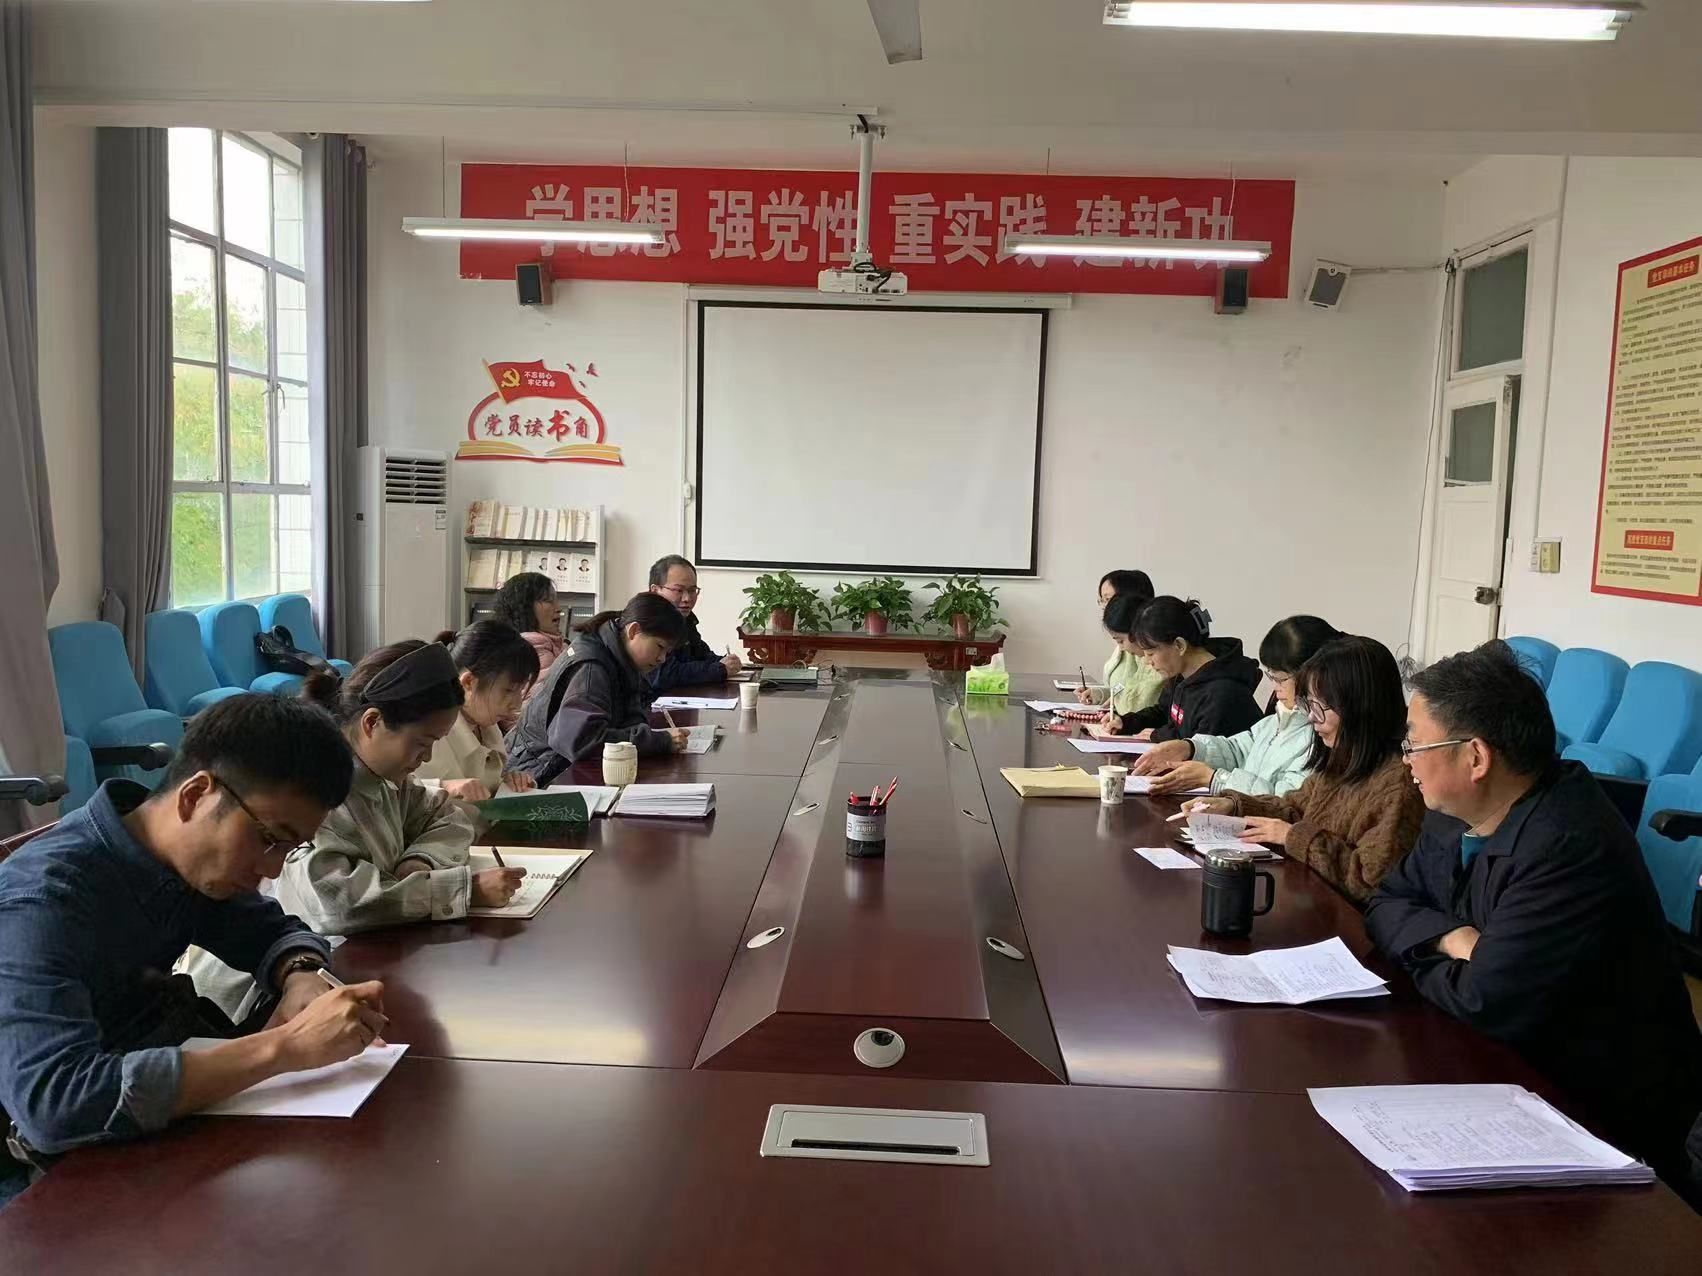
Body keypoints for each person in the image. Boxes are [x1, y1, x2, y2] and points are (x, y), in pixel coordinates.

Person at [0, 695, 387, 1203]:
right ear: (196, 795)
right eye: (270, 838)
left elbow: (274, 930)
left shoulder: (175, 856)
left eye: (290, 849)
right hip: (50, 1179)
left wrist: (300, 974)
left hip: (158, 1131)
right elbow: (55, 1103)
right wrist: (285, 1047)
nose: (272, 869)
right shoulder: (43, 902)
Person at [1366, 640, 1702, 1204]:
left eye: (1415, 745)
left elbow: (1485, 1001)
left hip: (1605, 1123)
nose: (1406, 761)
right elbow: (1385, 902)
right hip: (1506, 1076)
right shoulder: (1454, 814)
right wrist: (1451, 938)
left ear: (1475, 758)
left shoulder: (1568, 843)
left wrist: (1421, 946)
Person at [276, 640, 525, 935]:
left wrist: (420, 860)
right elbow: (340, 904)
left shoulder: (387, 779)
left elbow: (450, 818)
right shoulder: (317, 795)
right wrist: (464, 890)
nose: (427, 757)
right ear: (372, 722)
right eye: (422, 743)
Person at [1186, 635, 1422, 903]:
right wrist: (1233, 806)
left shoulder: (1399, 784)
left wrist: (1293, 836)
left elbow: (1370, 882)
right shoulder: (1342, 758)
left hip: (1342, 920)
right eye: (1308, 704)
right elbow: (1295, 808)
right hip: (1309, 899)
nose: (1311, 717)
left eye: (1319, 707)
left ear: (1361, 707)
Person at [1132, 615, 1341, 797]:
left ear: (1315, 677)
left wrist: (1216, 779)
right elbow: (1239, 749)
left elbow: (1288, 799)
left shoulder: (1323, 735)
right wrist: (1191, 748)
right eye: (1272, 677)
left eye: (1280, 679)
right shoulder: (1280, 718)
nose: (1274, 687)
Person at [507, 594, 692, 784]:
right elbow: (582, 741)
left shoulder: (620, 656)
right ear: (634, 630)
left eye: (667, 653)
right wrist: (659, 741)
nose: (662, 659)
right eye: (660, 647)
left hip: (564, 768)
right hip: (538, 775)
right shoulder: (592, 667)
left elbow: (630, 718)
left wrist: (652, 738)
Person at [413, 621, 542, 802]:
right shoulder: (425, 727)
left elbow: (484, 788)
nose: (517, 704)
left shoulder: (486, 723)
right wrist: (443, 787)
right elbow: (393, 792)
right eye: (508, 691)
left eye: (520, 691)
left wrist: (508, 783)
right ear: (468, 682)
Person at [1106, 596, 1262, 742]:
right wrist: (1127, 722)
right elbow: (1163, 712)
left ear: (1179, 645)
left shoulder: (1223, 693)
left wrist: (1160, 735)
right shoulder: (1181, 676)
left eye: (1150, 653)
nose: (1147, 661)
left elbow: (1202, 747)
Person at [1076, 572, 1165, 715]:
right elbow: (1122, 687)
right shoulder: (1127, 643)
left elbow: (1136, 703)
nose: (1105, 606)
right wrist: (1100, 694)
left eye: (1108, 599)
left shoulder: (1148, 652)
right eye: (1102, 600)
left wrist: (1116, 701)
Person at [647, 555, 742, 690]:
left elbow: (702, 655)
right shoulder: (647, 622)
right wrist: (719, 669)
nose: (687, 598)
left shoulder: (685, 619)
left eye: (692, 590)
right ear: (655, 590)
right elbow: (663, 674)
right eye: (678, 590)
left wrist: (726, 662)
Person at [490, 571, 565, 700]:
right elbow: (548, 702)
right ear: (525, 608)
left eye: (556, 600)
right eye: (548, 600)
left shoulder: (551, 644)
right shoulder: (535, 649)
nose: (558, 608)